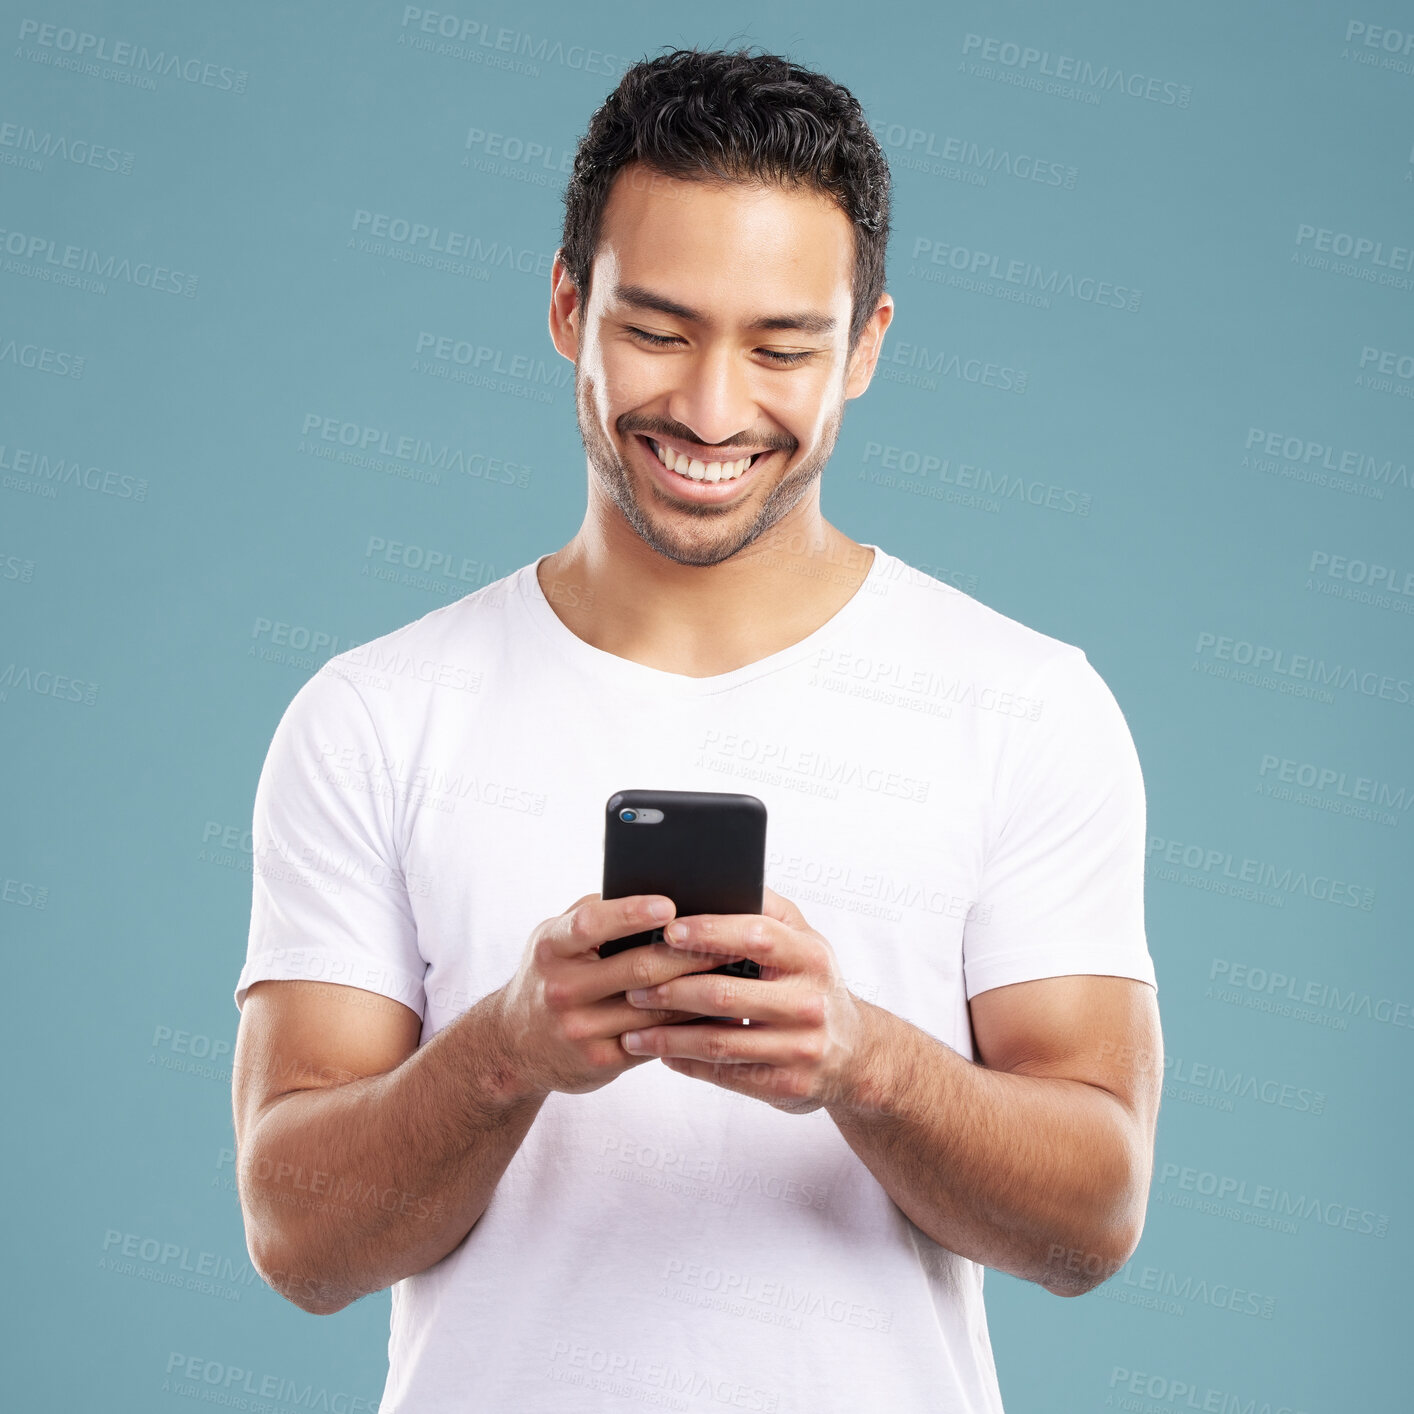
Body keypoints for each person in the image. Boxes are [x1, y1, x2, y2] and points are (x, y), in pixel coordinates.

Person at [231, 45, 1162, 1414]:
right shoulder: (373, 714)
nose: (712, 410)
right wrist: (507, 1049)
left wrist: (860, 1057)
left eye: (781, 345)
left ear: (866, 348)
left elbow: (1092, 1220)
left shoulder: (1025, 704)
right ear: (567, 306)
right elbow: (298, 1239)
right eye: (657, 331)